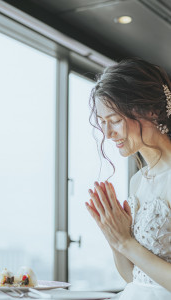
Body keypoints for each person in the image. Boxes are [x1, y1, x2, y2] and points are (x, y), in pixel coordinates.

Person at [85, 57, 171, 299]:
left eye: (115, 121)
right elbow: (132, 277)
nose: (109, 134)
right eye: (102, 123)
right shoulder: (138, 181)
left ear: (151, 111)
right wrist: (112, 234)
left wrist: (126, 242)